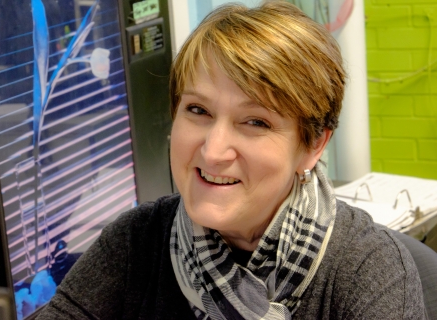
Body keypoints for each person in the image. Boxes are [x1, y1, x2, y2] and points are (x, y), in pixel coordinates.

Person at [37, 1, 426, 319]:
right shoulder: (136, 241)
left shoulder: (367, 270)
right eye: (198, 110)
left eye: (255, 121)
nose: (212, 150)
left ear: (313, 145)